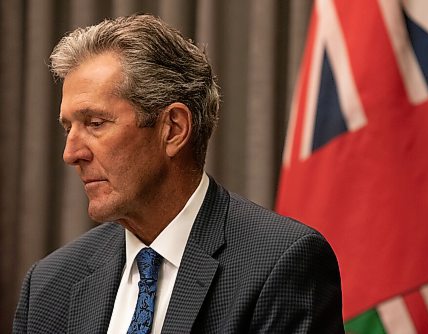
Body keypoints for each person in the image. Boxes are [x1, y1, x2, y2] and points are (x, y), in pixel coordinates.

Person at [13, 14, 344, 333]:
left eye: (95, 124)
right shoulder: (48, 286)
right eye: (68, 128)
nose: (71, 154)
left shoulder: (281, 264)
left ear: (173, 129)